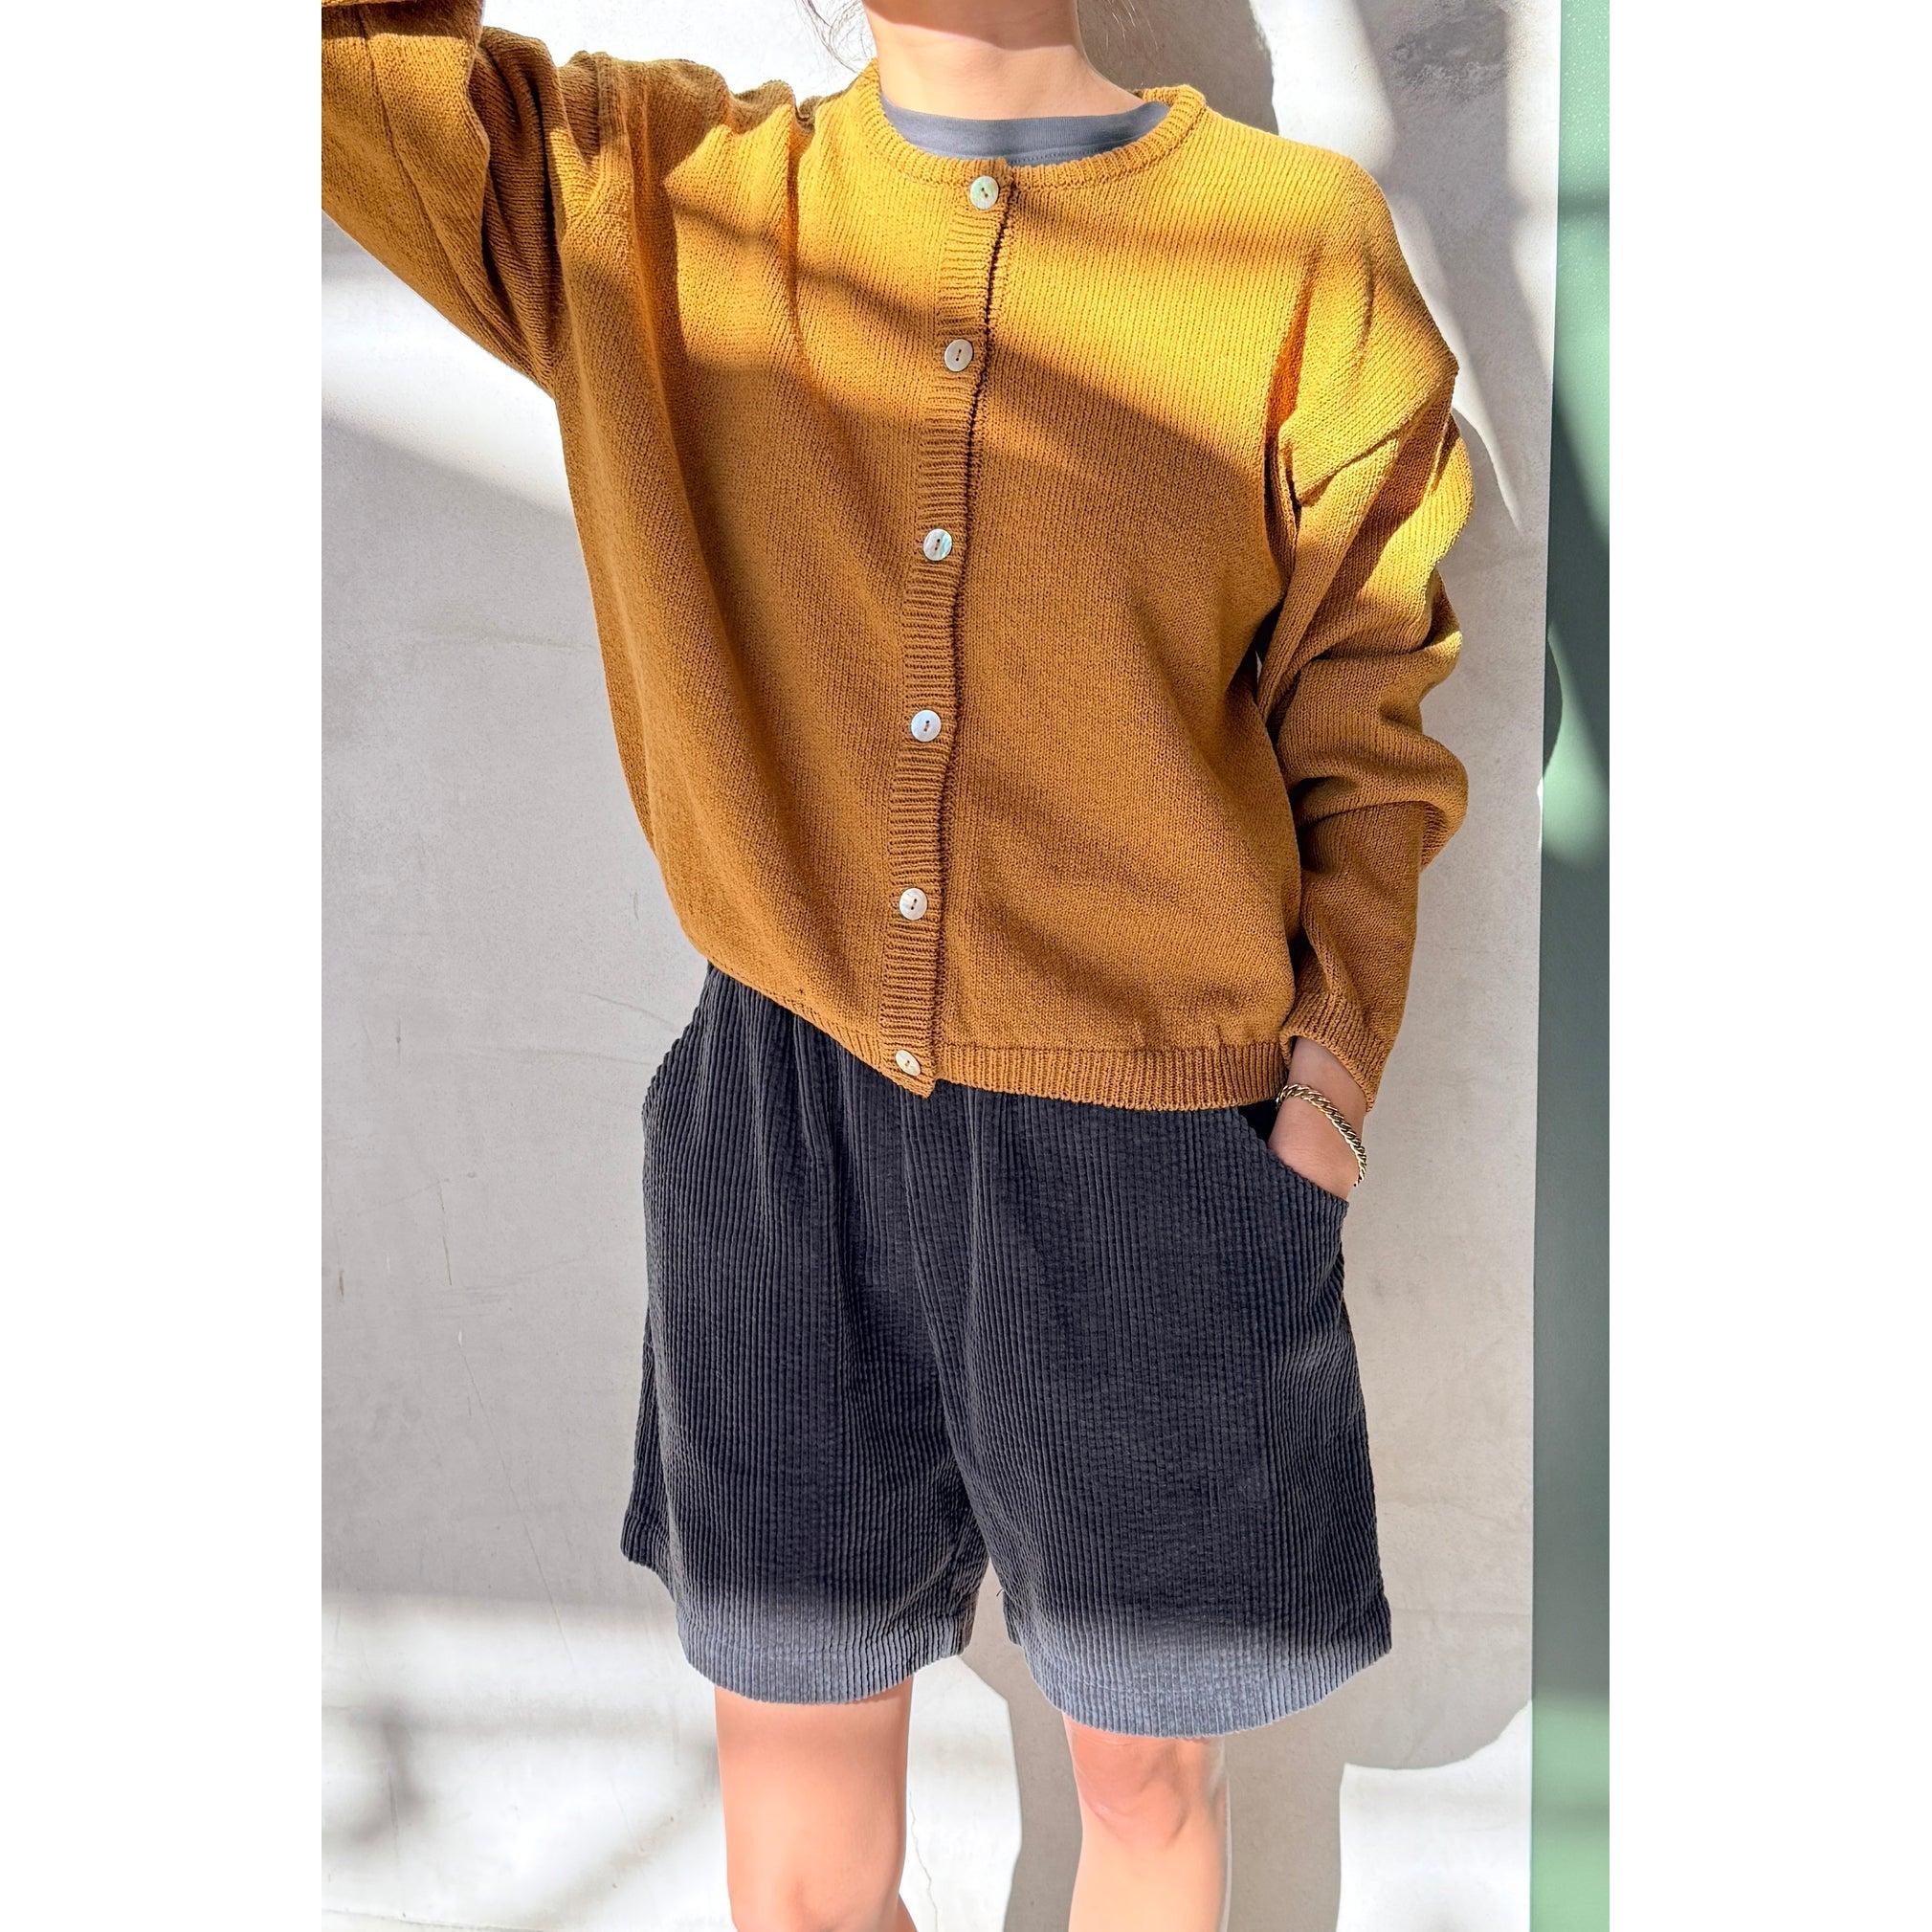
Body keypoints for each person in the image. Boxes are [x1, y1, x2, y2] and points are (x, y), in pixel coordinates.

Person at [322, 1, 1475, 1925]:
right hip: (783, 1119)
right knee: (797, 1836)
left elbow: (1366, 701)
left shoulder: (1290, 243)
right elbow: (340, 68)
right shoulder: (655, 194)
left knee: (1147, 1774)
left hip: (1158, 1137)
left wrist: (1330, 1080)